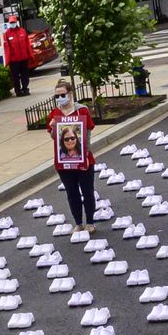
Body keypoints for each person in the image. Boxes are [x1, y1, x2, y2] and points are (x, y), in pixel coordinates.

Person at [47, 78, 97, 229]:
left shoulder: (82, 110)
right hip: (64, 162)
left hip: (83, 160)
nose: (60, 99)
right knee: (72, 193)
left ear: (70, 94)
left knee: (87, 191)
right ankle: (78, 223)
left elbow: (87, 134)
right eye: (57, 96)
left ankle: (90, 222)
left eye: (62, 95)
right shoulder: (54, 114)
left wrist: (86, 155)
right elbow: (55, 138)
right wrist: (53, 128)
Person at [0, 13, 33, 97]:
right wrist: (8, 61)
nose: (12, 24)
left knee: (25, 75)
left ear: (16, 22)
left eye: (13, 22)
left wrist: (30, 55)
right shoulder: (7, 34)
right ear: (9, 23)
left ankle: (25, 89)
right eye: (11, 23)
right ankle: (18, 91)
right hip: (14, 60)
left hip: (23, 58)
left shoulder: (22, 31)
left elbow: (27, 44)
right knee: (15, 77)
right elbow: (7, 48)